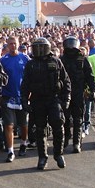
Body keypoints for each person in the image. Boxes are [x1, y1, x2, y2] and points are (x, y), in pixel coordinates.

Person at [21, 37, 71, 170]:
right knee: (40, 129)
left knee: (58, 125)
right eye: (37, 48)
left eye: (42, 47)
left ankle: (58, 154)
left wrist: (66, 99)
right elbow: (25, 85)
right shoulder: (30, 64)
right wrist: (24, 101)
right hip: (37, 99)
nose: (39, 50)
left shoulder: (56, 61)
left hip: (53, 98)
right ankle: (42, 157)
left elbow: (66, 82)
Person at [60, 37, 95, 154]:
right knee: (64, 118)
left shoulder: (83, 59)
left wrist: (93, 89)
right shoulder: (61, 60)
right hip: (64, 93)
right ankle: (66, 138)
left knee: (78, 118)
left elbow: (90, 76)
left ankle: (76, 142)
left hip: (78, 92)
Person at [0, 36, 30, 162]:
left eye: (14, 43)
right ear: (7, 45)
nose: (12, 46)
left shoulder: (25, 58)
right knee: (9, 125)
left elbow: (30, 76)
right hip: (8, 96)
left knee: (23, 124)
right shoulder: (3, 60)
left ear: (18, 44)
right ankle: (10, 151)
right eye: (10, 44)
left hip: (22, 96)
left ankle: (23, 143)